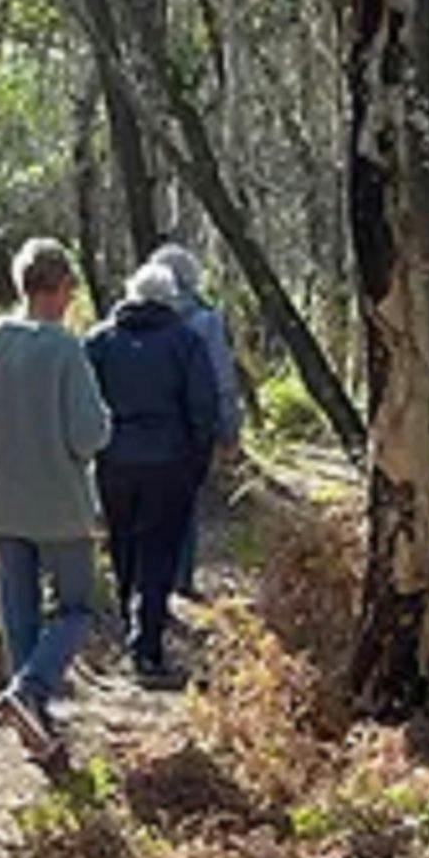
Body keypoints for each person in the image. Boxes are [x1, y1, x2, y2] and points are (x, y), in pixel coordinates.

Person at [0, 238, 112, 757]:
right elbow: (88, 435)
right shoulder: (66, 349)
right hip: (61, 503)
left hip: (3, 502)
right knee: (77, 608)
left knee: (18, 613)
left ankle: (33, 720)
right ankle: (30, 690)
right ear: (61, 286)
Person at [85, 261, 218, 687]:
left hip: (113, 461)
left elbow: (84, 403)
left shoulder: (99, 341)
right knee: (159, 553)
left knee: (123, 547)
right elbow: (204, 407)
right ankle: (148, 647)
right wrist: (199, 461)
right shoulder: (186, 342)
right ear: (171, 299)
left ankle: (132, 627)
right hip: (169, 463)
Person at [149, 243, 243, 598]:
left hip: (141, 430)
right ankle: (182, 577)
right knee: (184, 502)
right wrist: (229, 429)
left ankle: (152, 579)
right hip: (188, 429)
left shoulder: (130, 317)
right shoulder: (205, 321)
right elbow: (221, 379)